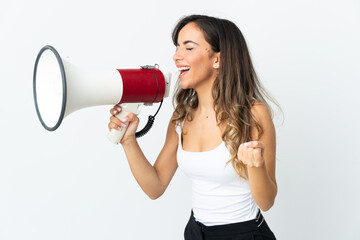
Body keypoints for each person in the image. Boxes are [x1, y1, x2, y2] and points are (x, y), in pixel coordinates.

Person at [108, 14, 280, 240]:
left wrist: (255, 165)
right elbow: (156, 186)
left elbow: (266, 202)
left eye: (188, 48)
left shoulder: (252, 114)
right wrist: (128, 141)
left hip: (244, 233)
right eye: (177, 47)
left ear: (217, 59)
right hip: (196, 232)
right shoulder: (181, 118)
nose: (176, 56)